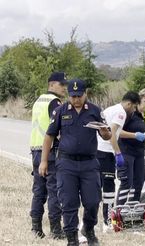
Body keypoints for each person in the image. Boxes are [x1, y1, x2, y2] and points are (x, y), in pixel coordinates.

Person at [39, 78, 111, 246]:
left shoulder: (95, 110)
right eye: (72, 96)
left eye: (79, 96)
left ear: (86, 94)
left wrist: (104, 131)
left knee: (93, 201)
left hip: (89, 164)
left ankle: (89, 229)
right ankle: (72, 238)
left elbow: (107, 136)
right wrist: (43, 161)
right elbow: (49, 136)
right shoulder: (60, 111)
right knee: (69, 202)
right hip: (67, 164)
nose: (76, 99)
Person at [29, 72, 67, 239]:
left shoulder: (39, 100)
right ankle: (56, 230)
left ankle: (36, 228)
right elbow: (57, 128)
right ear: (52, 84)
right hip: (50, 151)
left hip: (36, 150)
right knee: (54, 190)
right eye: (62, 85)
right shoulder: (55, 102)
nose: (65, 88)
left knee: (39, 190)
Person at [96, 91, 140, 227]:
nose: (133, 111)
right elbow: (112, 134)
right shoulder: (121, 113)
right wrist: (118, 153)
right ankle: (108, 221)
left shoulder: (111, 109)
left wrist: (134, 135)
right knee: (109, 189)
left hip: (97, 150)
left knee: (97, 186)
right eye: (133, 107)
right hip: (106, 152)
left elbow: (117, 133)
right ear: (128, 103)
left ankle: (92, 220)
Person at [116, 88, 145, 205]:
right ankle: (119, 212)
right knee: (127, 181)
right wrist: (134, 135)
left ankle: (133, 209)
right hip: (126, 152)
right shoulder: (129, 114)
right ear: (139, 101)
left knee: (140, 181)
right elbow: (117, 132)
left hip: (140, 153)